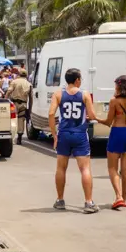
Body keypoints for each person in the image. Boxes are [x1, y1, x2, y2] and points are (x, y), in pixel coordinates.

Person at [48, 68, 99, 213]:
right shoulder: (84, 94)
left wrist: (54, 135)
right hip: (80, 134)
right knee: (85, 169)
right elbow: (92, 115)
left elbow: (51, 113)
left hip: (64, 133)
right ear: (77, 79)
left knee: (61, 168)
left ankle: (60, 199)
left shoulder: (58, 94)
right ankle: (88, 202)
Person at [96, 75, 126, 209]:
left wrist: (96, 118)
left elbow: (108, 122)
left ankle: (118, 196)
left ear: (119, 86)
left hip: (117, 132)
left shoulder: (114, 101)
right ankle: (124, 197)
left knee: (112, 167)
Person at [6, 68, 33, 145]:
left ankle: (9, 136)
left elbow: (9, 91)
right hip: (23, 104)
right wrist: (30, 109)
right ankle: (19, 137)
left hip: (13, 104)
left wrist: (5, 100)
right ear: (26, 75)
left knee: (11, 119)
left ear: (19, 75)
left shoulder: (14, 82)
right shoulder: (29, 84)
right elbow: (31, 98)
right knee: (21, 120)